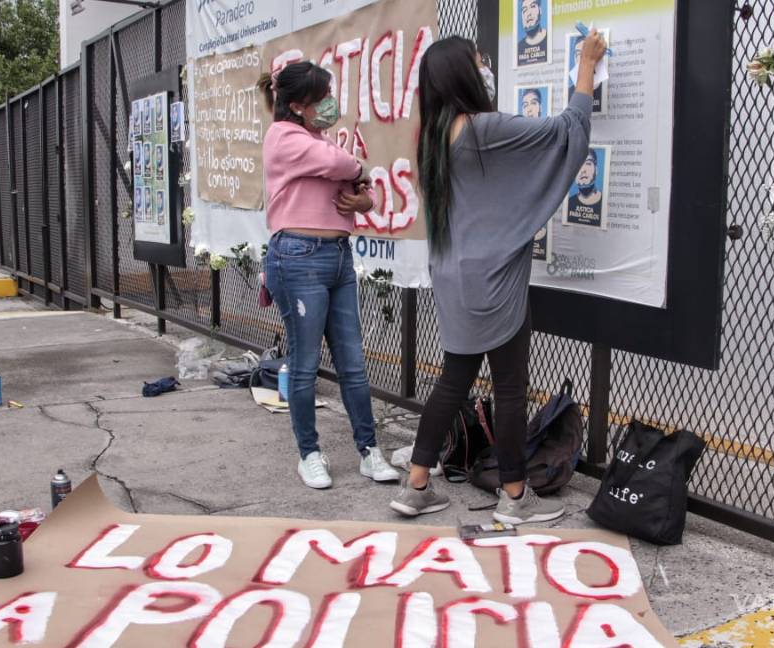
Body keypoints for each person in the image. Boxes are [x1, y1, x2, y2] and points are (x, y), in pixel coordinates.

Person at [390, 33, 606, 524]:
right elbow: (568, 130)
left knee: (453, 380)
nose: (485, 65)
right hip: (492, 279)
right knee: (509, 387)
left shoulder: (429, 135)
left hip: (451, 274)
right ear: (463, 74)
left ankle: (417, 484)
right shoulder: (484, 129)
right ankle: (514, 497)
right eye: (478, 59)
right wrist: (586, 65)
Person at [256, 62, 400, 489]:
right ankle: (309, 454)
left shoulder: (316, 139)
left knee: (353, 363)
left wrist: (363, 199)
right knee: (304, 365)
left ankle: (369, 451)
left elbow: (364, 191)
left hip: (337, 255)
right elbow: (343, 165)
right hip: (297, 257)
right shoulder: (284, 137)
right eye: (321, 98)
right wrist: (359, 172)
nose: (329, 104)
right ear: (298, 105)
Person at [567, 149, 604, 222]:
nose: (583, 170)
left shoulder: (603, 204)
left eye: (588, 163)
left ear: (596, 170)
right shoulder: (570, 203)